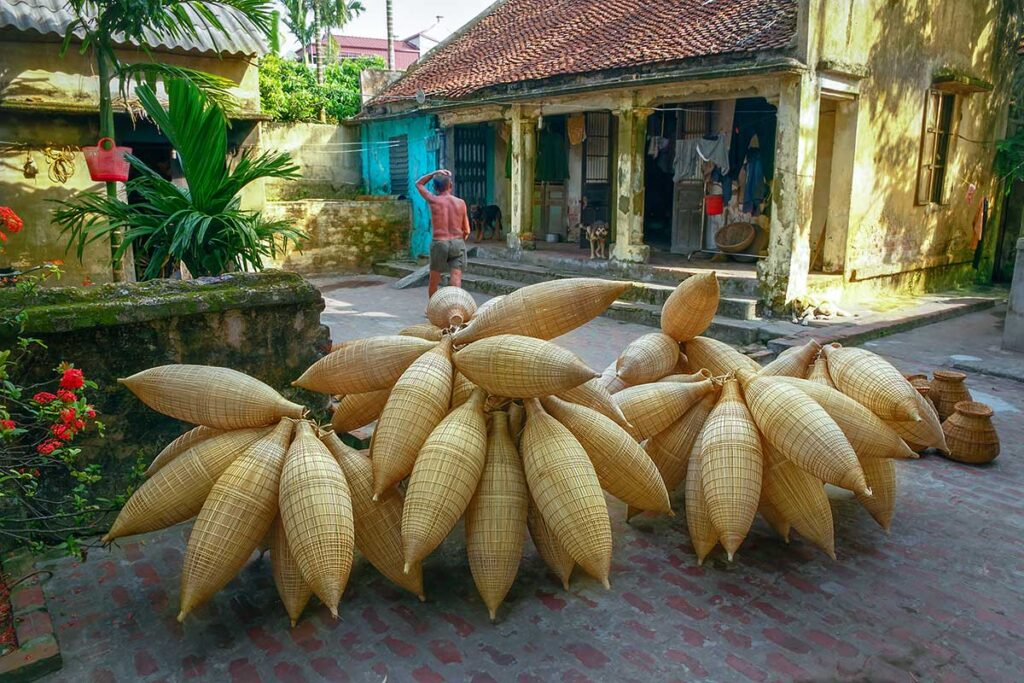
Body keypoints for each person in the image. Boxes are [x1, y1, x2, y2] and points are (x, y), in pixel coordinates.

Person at [416, 169, 471, 297]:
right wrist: (459, 240)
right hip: (457, 242)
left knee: (434, 278)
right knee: (456, 277)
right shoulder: (461, 203)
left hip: (440, 242)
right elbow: (467, 230)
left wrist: (434, 172)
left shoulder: (433, 200)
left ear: (435, 187)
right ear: (450, 185)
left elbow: (418, 184)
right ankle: (454, 306)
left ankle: (432, 307)